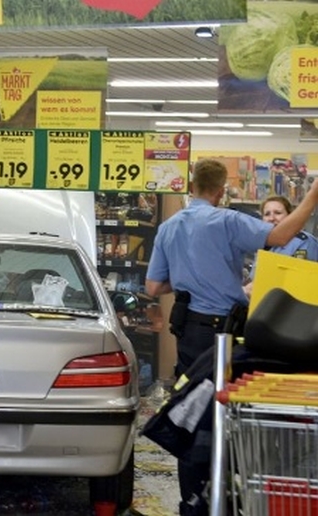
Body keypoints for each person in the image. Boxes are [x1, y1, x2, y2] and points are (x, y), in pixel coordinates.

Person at [144, 158, 318, 516]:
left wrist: (193, 274)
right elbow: (280, 235)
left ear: (192, 185)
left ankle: (194, 499)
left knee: (192, 410)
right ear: (221, 191)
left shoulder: (169, 227)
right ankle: (225, 492)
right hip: (222, 334)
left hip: (189, 332)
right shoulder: (226, 220)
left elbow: (154, 286)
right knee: (228, 413)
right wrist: (313, 197)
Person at [243, 194, 318, 297]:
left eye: (278, 213)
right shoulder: (265, 245)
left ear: (290, 216)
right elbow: (254, 278)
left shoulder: (304, 242)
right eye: (267, 214)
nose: (271, 218)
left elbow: (299, 280)